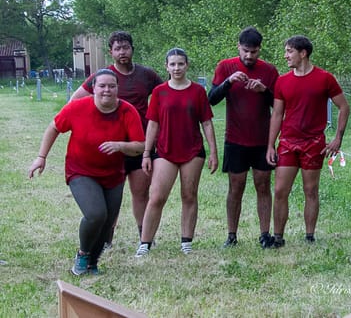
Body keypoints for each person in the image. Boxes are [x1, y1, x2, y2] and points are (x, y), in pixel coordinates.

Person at [28, 69, 145, 275]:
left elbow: (139, 146)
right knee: (96, 214)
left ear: (118, 88)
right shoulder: (78, 108)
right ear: (93, 88)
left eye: (112, 86)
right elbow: (54, 127)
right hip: (81, 170)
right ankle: (82, 255)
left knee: (108, 221)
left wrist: (120, 146)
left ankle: (92, 263)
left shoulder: (128, 111)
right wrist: (41, 157)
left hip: (113, 174)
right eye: (102, 86)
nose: (107, 90)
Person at [70, 31, 162, 243]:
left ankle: (144, 237)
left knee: (141, 192)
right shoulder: (102, 77)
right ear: (110, 52)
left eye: (126, 47)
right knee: (112, 197)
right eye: (117, 48)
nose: (122, 52)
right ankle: (106, 237)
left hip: (140, 145)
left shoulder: (146, 75)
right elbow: (75, 102)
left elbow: (164, 97)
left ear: (132, 49)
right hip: (111, 145)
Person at [266, 35, 350, 248]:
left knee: (310, 190)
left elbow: (344, 107)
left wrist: (337, 138)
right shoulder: (282, 81)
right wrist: (270, 145)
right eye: (286, 51)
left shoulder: (325, 79)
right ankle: (278, 237)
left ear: (303, 53)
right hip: (287, 142)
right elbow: (277, 114)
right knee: (279, 190)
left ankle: (310, 236)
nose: (285, 56)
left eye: (289, 51)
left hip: (313, 143)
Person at [136, 48, 218, 257]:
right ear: (166, 67)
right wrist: (146, 153)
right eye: (172, 64)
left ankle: (186, 242)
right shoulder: (160, 92)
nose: (177, 68)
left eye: (180, 64)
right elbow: (153, 124)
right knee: (157, 197)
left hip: (192, 150)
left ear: (187, 65)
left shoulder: (198, 91)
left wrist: (213, 152)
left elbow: (207, 123)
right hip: (165, 150)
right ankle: (145, 243)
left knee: (189, 195)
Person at [209, 26, 279, 249]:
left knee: (263, 185)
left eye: (254, 51)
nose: (249, 56)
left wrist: (264, 90)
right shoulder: (225, 66)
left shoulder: (269, 71)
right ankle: (231, 235)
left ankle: (265, 234)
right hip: (235, 138)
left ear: (260, 50)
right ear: (238, 47)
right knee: (235, 186)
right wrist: (227, 82)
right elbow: (211, 99)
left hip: (261, 140)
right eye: (245, 51)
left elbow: (278, 106)